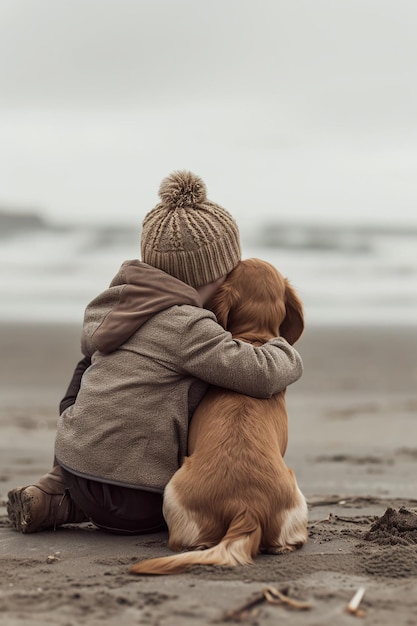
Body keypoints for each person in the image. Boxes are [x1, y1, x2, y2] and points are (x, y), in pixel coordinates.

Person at [7, 170, 303, 535]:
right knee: (209, 377)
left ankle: (59, 494)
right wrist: (283, 349)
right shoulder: (189, 328)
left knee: (92, 364)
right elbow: (258, 374)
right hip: (143, 499)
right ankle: (81, 500)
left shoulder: (110, 304)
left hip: (75, 460)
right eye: (227, 274)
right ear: (205, 277)